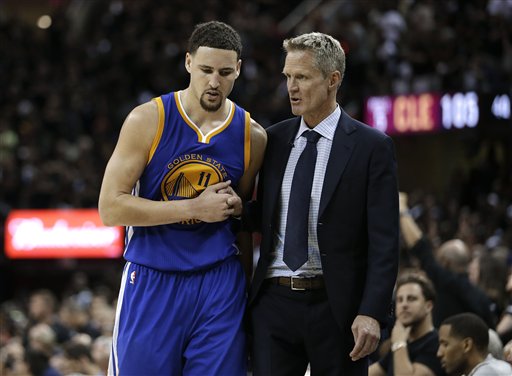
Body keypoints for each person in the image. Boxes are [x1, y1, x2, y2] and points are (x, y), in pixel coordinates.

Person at [98, 20, 267, 376]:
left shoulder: (253, 136)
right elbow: (110, 207)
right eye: (205, 70)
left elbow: (242, 225)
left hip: (219, 283)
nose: (213, 81)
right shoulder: (148, 120)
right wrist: (194, 208)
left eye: (224, 72)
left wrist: (247, 299)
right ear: (188, 62)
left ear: (238, 69)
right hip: (152, 275)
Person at [248, 31, 399, 375]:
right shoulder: (273, 139)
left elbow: (385, 241)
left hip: (337, 306)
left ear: (333, 80)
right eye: (288, 76)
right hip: (275, 300)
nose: (291, 87)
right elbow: (270, 215)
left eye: (302, 77)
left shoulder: (371, 146)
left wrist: (372, 311)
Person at [399, 192, 496, 328]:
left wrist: (402, 210)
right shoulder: (482, 298)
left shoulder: (447, 282)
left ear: (445, 262)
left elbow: (421, 249)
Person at [369, 272, 445, 376]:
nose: (404, 305)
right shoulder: (404, 343)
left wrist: (399, 343)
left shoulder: (437, 343)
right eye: (400, 300)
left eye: (411, 299)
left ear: (428, 306)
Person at [437, 313, 512, 375]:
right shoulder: (492, 368)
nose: (439, 353)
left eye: (445, 344)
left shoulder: (487, 372)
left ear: (467, 345)